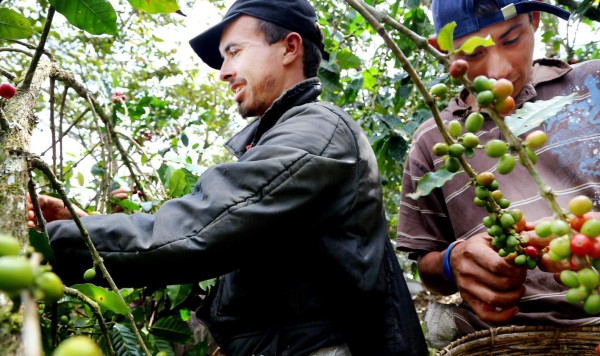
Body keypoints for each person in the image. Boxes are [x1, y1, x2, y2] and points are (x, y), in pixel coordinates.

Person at [28, 0, 428, 355]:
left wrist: (56, 243)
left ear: (290, 47)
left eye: (234, 52)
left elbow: (203, 228)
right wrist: (84, 224)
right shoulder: (282, 138)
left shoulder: (316, 131)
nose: (224, 72)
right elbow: (239, 260)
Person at [396, 0, 600, 346]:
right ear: (442, 50)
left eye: (511, 40)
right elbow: (427, 263)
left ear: (534, 20)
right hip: (506, 341)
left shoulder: (592, 86)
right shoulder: (436, 141)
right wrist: (452, 262)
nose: (499, 70)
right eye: (472, 55)